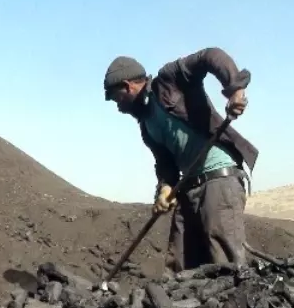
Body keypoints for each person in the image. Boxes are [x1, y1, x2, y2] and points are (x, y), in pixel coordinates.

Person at [103, 48, 258, 271]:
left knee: (225, 263)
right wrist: (165, 187)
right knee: (179, 266)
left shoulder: (170, 80)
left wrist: (235, 88)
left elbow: (210, 56)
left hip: (219, 180)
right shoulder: (146, 125)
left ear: (128, 86)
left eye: (116, 97)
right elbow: (166, 164)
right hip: (188, 187)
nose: (118, 106)